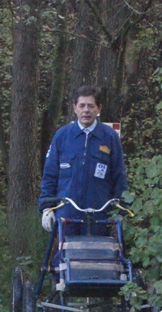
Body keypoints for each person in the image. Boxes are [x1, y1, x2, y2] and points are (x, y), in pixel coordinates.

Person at [39, 86, 128, 231]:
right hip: (66, 215)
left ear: (99, 109)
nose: (86, 110)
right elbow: (50, 175)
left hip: (100, 216)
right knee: (63, 253)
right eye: (82, 105)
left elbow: (119, 176)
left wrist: (120, 211)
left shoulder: (110, 137)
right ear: (75, 108)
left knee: (101, 253)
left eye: (91, 106)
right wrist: (47, 208)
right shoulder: (62, 136)